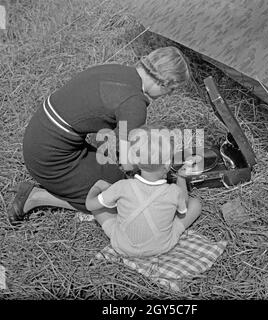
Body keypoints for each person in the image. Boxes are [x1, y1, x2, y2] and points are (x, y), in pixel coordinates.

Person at [8, 46, 191, 225]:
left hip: (38, 136)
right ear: (166, 82)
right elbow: (127, 164)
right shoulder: (134, 104)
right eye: (172, 90)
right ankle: (36, 197)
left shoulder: (119, 71)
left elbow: (106, 133)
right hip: (48, 158)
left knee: (110, 171)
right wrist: (162, 161)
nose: (168, 95)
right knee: (117, 194)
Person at [85, 125, 202, 257]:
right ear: (168, 164)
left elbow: (90, 205)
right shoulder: (174, 191)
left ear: (135, 160)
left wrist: (97, 187)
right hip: (162, 246)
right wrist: (181, 178)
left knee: (100, 209)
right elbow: (184, 207)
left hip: (122, 246)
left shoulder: (122, 186)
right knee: (195, 204)